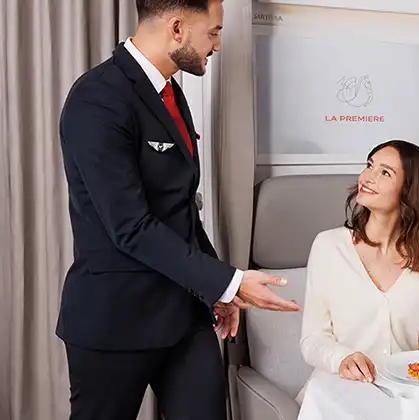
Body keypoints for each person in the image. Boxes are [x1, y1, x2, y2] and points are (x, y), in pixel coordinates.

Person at [57, 1, 301, 419]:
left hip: (184, 313)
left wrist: (214, 289)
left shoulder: (172, 94)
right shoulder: (98, 98)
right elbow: (130, 226)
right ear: (176, 27)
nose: (218, 44)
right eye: (213, 32)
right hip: (117, 318)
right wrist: (229, 281)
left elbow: (180, 211)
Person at [299, 139, 419, 396]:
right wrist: (342, 358)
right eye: (369, 165)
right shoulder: (329, 246)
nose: (368, 177)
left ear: (408, 190)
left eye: (384, 172)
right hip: (339, 392)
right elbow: (312, 340)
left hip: (406, 392)